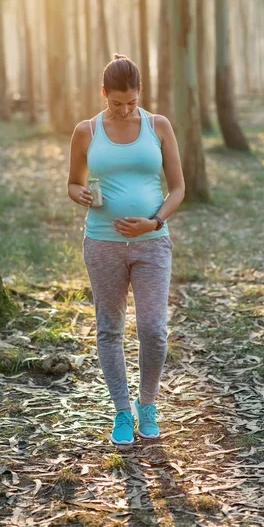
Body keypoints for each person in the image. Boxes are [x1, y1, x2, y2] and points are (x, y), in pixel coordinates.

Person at [67, 54, 185, 445]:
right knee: (109, 328)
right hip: (102, 242)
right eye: (117, 102)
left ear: (140, 93)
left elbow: (178, 188)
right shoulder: (86, 131)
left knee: (153, 329)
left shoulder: (158, 126)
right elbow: (73, 182)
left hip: (152, 243)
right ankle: (121, 410)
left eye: (131, 101)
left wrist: (154, 221)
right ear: (103, 94)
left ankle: (146, 404)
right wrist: (80, 193)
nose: (124, 109)